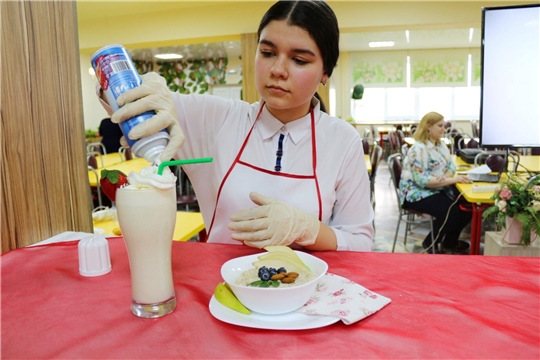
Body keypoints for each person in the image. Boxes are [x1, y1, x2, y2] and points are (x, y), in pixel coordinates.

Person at [98, 0, 374, 251]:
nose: (278, 69)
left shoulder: (342, 140)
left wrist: (309, 230)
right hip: (221, 288)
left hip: (306, 294)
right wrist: (145, 87)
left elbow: (360, 243)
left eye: (299, 59)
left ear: (326, 71)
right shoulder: (215, 118)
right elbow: (129, 100)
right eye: (267, 52)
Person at [399, 111, 472, 253]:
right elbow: (422, 181)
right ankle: (430, 243)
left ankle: (450, 242)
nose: (443, 129)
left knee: (466, 208)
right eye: (440, 126)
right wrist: (451, 180)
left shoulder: (440, 145)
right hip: (415, 193)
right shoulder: (418, 149)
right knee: (451, 210)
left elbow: (451, 166)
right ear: (428, 127)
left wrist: (445, 176)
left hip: (435, 189)